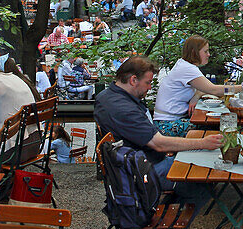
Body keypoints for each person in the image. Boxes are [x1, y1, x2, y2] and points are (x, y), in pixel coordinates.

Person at [94, 56, 222, 204]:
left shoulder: (107, 96)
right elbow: (159, 144)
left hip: (132, 165)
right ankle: (164, 222)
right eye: (148, 82)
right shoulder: (124, 109)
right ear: (133, 80)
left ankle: (163, 210)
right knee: (203, 177)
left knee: (198, 161)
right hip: (142, 172)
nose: (150, 87)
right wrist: (203, 143)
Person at [152, 35, 243, 136]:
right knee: (221, 127)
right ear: (194, 52)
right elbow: (213, 90)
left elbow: (205, 88)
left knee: (222, 124)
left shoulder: (183, 65)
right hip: (166, 125)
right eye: (205, 51)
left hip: (167, 121)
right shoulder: (187, 69)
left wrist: (196, 96)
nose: (209, 54)